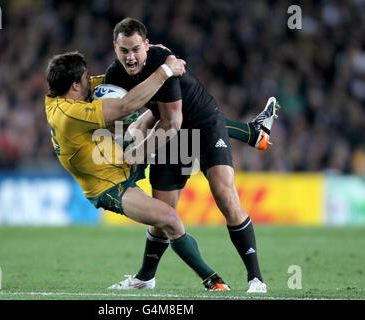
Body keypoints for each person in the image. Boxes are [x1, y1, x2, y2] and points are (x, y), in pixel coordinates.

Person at [105, 18, 275, 293]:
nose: (131, 56)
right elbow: (126, 114)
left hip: (204, 124)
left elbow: (173, 121)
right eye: (124, 50)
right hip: (171, 134)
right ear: (115, 48)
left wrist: (136, 154)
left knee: (225, 196)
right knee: (163, 213)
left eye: (136, 48)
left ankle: (256, 278)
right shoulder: (115, 76)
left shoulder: (163, 62)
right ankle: (145, 278)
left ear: (147, 45)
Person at [45, 51, 232, 291]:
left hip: (118, 155)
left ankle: (144, 279)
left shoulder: (65, 94)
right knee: (171, 220)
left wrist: (151, 55)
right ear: (73, 86)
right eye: (85, 78)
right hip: (108, 185)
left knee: (161, 117)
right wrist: (165, 71)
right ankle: (213, 280)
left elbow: (122, 79)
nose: (89, 80)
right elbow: (126, 104)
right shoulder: (68, 114)